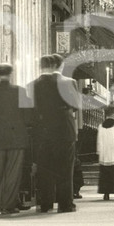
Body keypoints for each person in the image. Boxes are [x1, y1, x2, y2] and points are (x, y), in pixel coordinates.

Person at [31, 54, 81, 213]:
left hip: (43, 128)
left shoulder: (34, 84)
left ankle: (45, 203)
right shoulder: (69, 82)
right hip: (65, 129)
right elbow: (76, 105)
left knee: (45, 168)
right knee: (65, 168)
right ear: (60, 66)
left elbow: (32, 108)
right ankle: (65, 204)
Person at [0, 63, 32, 214]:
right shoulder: (20, 91)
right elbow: (28, 118)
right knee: (13, 172)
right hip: (16, 136)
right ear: (11, 74)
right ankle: (8, 205)